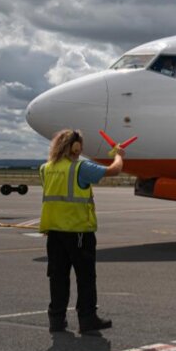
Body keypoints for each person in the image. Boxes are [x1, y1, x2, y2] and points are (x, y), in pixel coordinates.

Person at [39, 129, 124, 334]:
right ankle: (87, 319)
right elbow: (114, 171)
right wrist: (119, 155)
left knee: (58, 277)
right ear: (76, 148)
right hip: (78, 231)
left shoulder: (45, 168)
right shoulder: (80, 168)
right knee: (85, 278)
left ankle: (56, 320)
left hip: (54, 233)